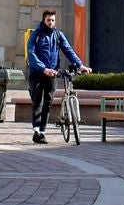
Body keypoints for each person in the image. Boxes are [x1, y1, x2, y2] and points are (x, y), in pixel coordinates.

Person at [25, 10, 87, 145]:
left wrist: (80, 65)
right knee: (38, 101)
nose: (51, 22)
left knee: (48, 101)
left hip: (52, 73)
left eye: (53, 20)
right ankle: (36, 131)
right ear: (44, 20)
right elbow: (31, 54)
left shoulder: (58, 35)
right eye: (48, 20)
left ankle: (42, 132)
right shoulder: (36, 34)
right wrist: (43, 69)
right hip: (37, 73)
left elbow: (68, 49)